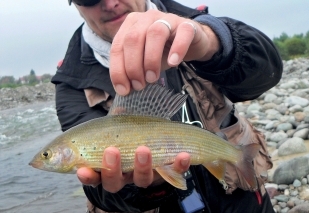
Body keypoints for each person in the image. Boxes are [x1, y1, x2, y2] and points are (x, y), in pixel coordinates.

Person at [51, 0, 283, 212]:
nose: (110, 3)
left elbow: (268, 73)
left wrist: (211, 44)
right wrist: (147, 188)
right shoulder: (71, 85)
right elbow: (102, 193)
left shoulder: (193, 21)